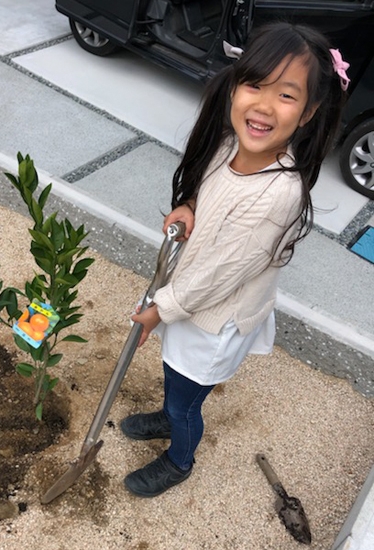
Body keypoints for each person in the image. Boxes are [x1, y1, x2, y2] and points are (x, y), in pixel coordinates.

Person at [121, 22, 348, 498]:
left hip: (214, 318)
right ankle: (169, 411)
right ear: (235, 85)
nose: (264, 105)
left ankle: (179, 458)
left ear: (308, 113)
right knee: (175, 375)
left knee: (188, 399)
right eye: (255, 85)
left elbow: (221, 274)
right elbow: (208, 197)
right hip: (187, 300)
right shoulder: (227, 147)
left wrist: (160, 310)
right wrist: (189, 206)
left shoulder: (278, 194)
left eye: (286, 96)